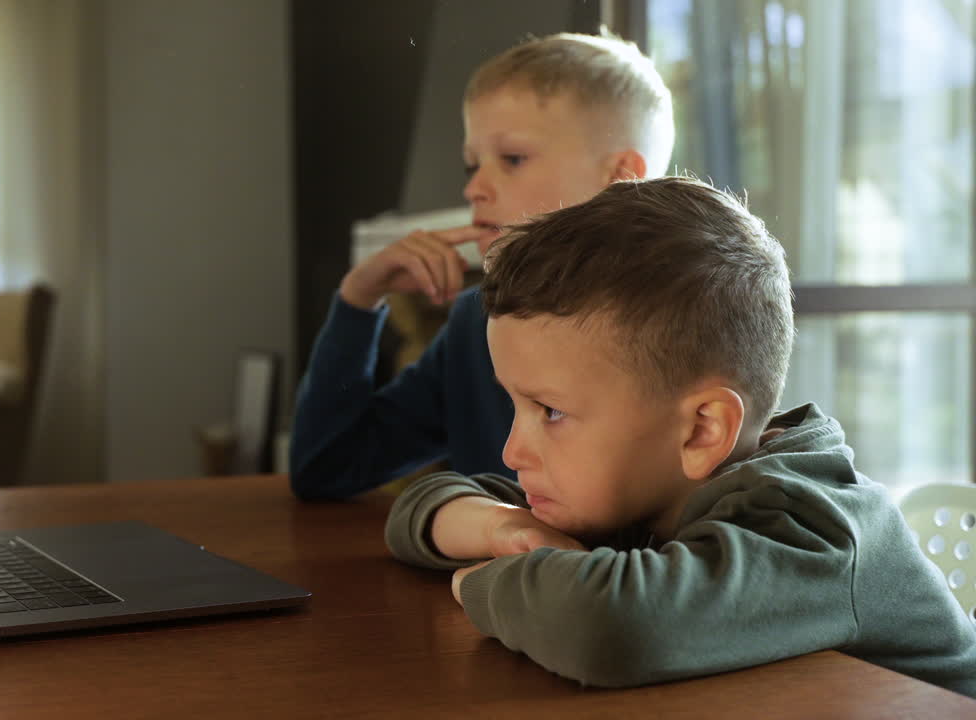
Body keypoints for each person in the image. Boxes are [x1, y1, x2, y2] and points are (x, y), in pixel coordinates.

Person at [383, 176, 976, 696]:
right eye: (515, 406)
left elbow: (608, 627)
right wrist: (502, 527)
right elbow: (418, 508)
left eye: (551, 412)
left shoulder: (815, 532)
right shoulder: (646, 481)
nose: (513, 450)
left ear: (701, 430)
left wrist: (485, 581)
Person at [289, 31, 675, 500]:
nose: (475, 189)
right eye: (473, 165)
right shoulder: (477, 321)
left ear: (621, 177)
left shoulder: (675, 325)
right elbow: (326, 470)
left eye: (512, 158)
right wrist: (359, 300)